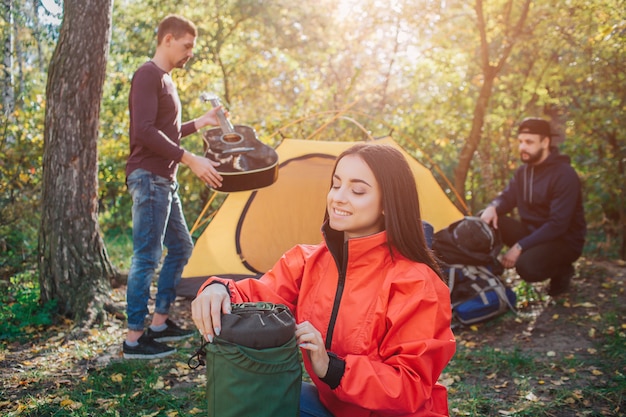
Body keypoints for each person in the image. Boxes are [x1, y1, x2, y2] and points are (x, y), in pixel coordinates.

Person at [192, 143, 456, 416]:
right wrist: (217, 289)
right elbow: (259, 296)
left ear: (388, 204)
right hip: (334, 406)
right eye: (336, 184)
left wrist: (331, 367)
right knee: (253, 396)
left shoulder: (417, 283)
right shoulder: (309, 261)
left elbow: (411, 385)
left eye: (357, 190)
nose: (338, 198)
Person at [123, 15, 226, 359]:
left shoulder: (166, 80)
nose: (189, 54)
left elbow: (168, 131)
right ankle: (134, 339)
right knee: (147, 256)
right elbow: (145, 132)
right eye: (187, 46)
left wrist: (203, 122)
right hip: (149, 176)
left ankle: (159, 323)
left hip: (164, 180)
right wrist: (190, 159)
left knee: (181, 247)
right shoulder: (147, 75)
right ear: (168, 40)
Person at [480, 117, 586, 296]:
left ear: (545, 142)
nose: (522, 147)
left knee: (527, 267)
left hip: (563, 240)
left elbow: (558, 224)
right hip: (533, 232)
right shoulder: (523, 172)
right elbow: (507, 198)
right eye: (520, 141)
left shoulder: (564, 174)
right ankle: (483, 275)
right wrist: (493, 207)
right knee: (484, 219)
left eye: (529, 142)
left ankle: (562, 270)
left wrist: (520, 246)